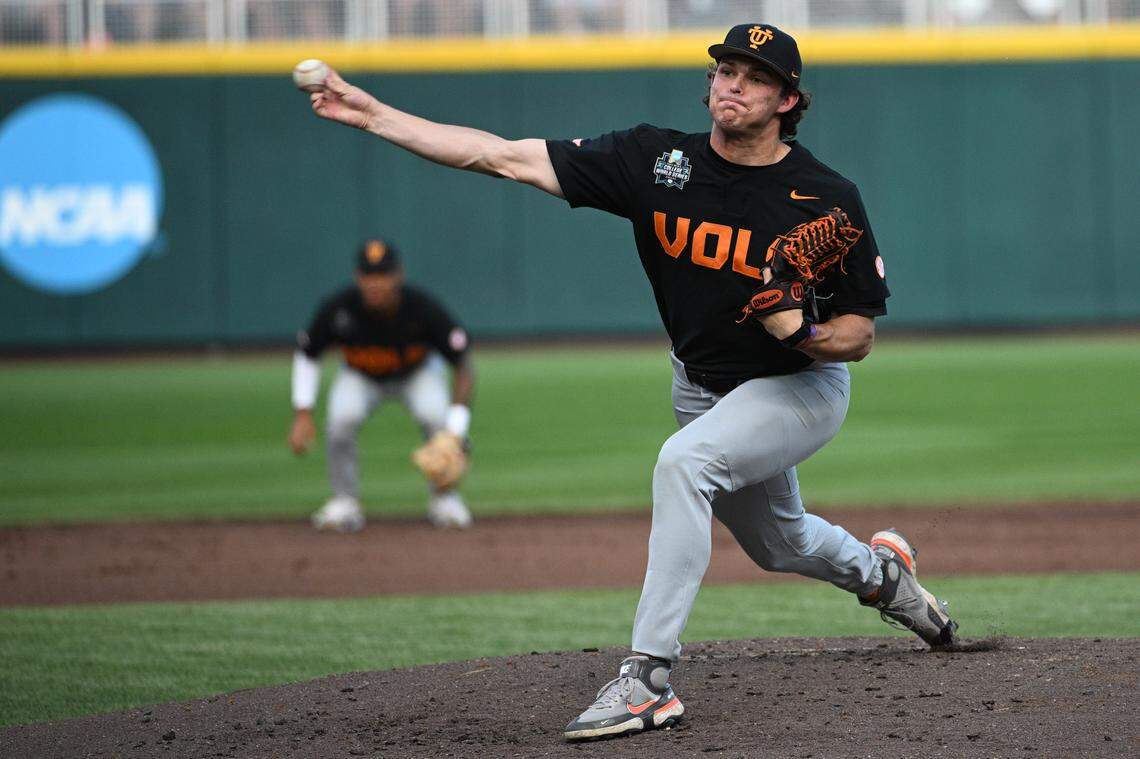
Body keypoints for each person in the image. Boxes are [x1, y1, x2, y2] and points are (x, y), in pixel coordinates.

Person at [299, 21, 958, 740]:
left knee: (683, 464)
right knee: (781, 544)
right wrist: (370, 113)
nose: (734, 84)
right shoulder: (656, 161)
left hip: (799, 387)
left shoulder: (824, 197)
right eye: (725, 70)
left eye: (755, 76)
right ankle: (884, 574)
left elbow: (859, 334)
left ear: (787, 100)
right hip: (701, 387)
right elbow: (499, 156)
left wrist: (802, 331)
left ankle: (647, 678)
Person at [288, 238, 475, 531]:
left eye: (383, 275)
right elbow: (308, 353)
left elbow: (463, 365)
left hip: (416, 374)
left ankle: (445, 499)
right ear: (358, 277)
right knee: (341, 420)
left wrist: (457, 428)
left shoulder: (422, 308)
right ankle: (345, 502)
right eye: (368, 275)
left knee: (438, 419)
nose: (375, 283)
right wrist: (302, 412)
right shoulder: (339, 309)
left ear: (398, 275)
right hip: (360, 376)